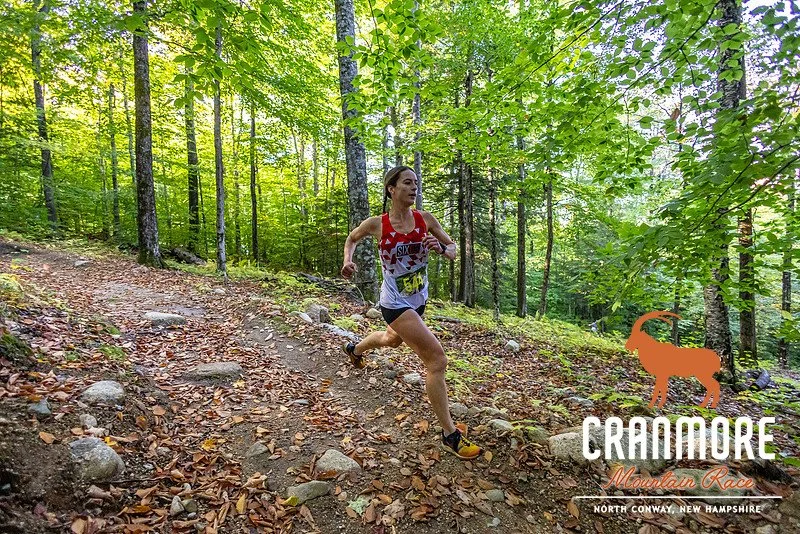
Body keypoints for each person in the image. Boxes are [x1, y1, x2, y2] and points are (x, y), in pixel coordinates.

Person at [340, 166, 482, 460]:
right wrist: (347, 261)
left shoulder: (424, 219)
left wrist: (442, 249)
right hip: (394, 302)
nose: (413, 187)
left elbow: (453, 249)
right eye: (407, 182)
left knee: (392, 341)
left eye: (416, 182)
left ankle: (355, 348)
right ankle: (449, 434)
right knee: (437, 359)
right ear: (391, 189)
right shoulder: (377, 224)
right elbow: (352, 238)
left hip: (418, 299)